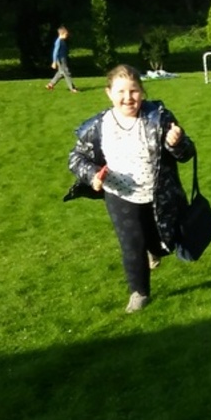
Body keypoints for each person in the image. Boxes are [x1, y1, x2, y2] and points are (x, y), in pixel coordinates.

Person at [66, 65, 195, 313]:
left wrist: (177, 142)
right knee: (131, 243)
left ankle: (153, 250)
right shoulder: (98, 126)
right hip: (119, 194)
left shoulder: (159, 117)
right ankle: (139, 293)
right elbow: (76, 158)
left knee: (161, 242)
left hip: (158, 193)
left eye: (134, 91)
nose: (128, 98)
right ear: (109, 93)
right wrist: (93, 175)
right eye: (121, 92)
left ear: (142, 92)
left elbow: (187, 153)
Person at [47, 26, 77, 93]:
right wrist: (54, 62)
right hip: (60, 59)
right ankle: (72, 88)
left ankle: (50, 84)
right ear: (61, 33)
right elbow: (55, 52)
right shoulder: (58, 41)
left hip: (63, 59)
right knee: (66, 72)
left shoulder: (62, 41)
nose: (67, 36)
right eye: (66, 34)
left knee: (61, 73)